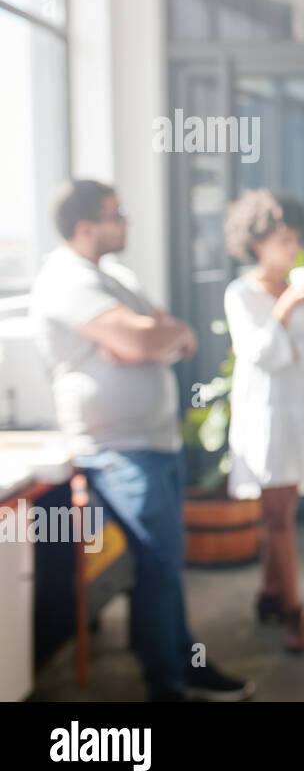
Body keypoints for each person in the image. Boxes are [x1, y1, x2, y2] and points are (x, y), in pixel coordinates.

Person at [29, 180, 253, 701]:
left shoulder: (112, 277)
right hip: (116, 449)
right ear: (86, 226)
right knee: (157, 563)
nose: (125, 221)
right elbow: (144, 336)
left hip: (152, 443)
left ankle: (182, 664)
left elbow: (173, 332)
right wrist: (144, 339)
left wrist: (147, 340)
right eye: (116, 214)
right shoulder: (66, 281)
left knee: (166, 564)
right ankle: (166, 683)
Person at [223, 190, 304, 653]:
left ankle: (269, 594)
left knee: (280, 513)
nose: (292, 249)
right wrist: (286, 312)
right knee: (280, 516)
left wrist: (286, 340)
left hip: (295, 409)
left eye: (295, 240)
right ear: (256, 244)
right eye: (282, 240)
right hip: (262, 414)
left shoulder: (301, 291)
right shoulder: (242, 292)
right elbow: (259, 353)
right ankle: (294, 611)